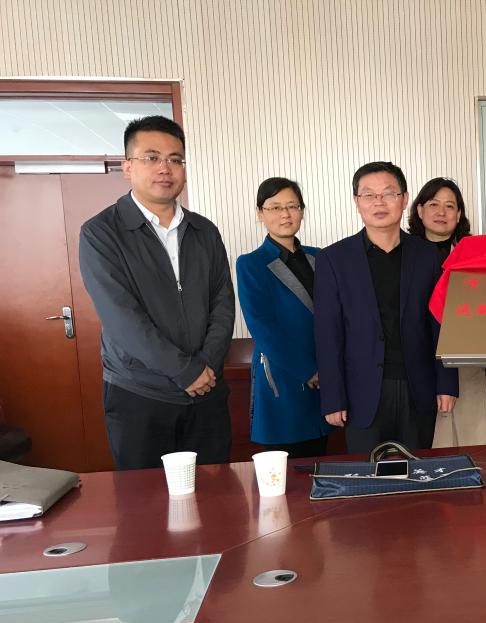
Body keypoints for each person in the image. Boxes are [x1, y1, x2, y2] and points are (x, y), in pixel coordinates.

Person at [79, 115, 235, 470]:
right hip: (140, 393)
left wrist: (206, 366)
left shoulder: (204, 231)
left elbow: (223, 303)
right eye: (152, 157)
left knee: (214, 493)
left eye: (175, 159)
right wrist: (185, 371)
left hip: (207, 391)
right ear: (127, 167)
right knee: (144, 499)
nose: (165, 168)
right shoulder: (101, 233)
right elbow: (122, 318)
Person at [314, 161, 458, 454]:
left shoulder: (427, 256)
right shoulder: (333, 259)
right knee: (368, 476)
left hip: (418, 387)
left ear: (404, 200)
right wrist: (332, 397)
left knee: (416, 472)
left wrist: (447, 383)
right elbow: (328, 333)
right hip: (360, 392)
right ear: (357, 202)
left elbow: (441, 324)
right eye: (369, 195)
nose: (379, 202)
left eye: (389, 193)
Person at [236, 177, 329, 458]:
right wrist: (308, 370)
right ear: (260, 213)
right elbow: (263, 328)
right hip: (283, 375)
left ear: (302, 210)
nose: (285, 214)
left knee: (320, 461)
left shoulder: (321, 258)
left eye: (292, 206)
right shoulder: (250, 263)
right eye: (275, 207)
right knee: (283, 468)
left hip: (326, 379)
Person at [408, 177, 486, 447]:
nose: (441, 212)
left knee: (472, 441)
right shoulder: (405, 254)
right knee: (430, 444)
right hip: (419, 361)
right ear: (420, 210)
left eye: (450, 206)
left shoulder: (474, 254)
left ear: (459, 214)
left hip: (465, 361)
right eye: (434, 204)